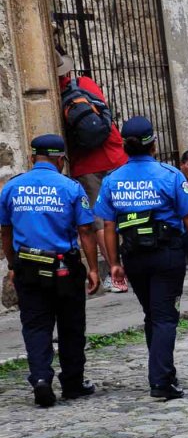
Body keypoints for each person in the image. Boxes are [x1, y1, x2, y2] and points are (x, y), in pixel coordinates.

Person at [94, 117, 188, 400]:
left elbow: (108, 226)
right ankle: (161, 380)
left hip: (134, 257)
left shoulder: (113, 179)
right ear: (154, 145)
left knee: (153, 314)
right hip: (166, 255)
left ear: (125, 146)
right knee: (164, 317)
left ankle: (163, 371)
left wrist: (114, 263)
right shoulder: (170, 175)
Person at [0, 134, 100, 407]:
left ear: (33, 158)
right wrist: (93, 268)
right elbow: (85, 230)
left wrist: (12, 264)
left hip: (28, 266)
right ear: (60, 159)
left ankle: (41, 379)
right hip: (63, 267)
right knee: (71, 325)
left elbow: (5, 232)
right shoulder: (71, 188)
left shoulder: (11, 188)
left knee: (35, 326)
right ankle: (73, 382)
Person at [56, 53, 128, 293]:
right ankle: (134, 267)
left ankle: (117, 276)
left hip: (86, 164)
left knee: (99, 221)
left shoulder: (56, 96)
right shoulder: (85, 83)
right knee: (124, 214)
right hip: (115, 154)